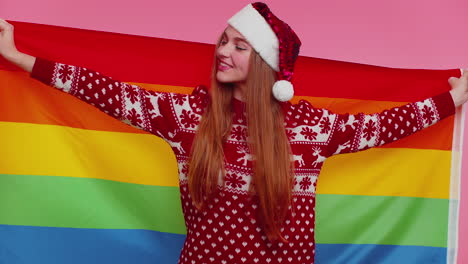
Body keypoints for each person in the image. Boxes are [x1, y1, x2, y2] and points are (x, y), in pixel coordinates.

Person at [0, 2, 467, 264]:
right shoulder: (190, 118)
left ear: (265, 64)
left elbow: (383, 126)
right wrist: (22, 59)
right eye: (224, 40)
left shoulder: (309, 129)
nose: (223, 51)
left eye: (240, 45)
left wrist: (453, 99)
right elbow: (109, 93)